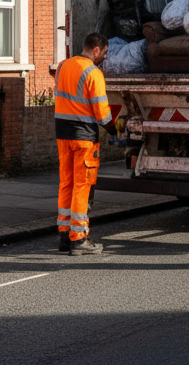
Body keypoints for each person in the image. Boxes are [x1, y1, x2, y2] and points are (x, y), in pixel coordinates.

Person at [54, 33, 120, 255]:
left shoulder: (63, 66)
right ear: (96, 50)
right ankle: (79, 238)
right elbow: (102, 115)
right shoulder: (93, 73)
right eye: (104, 52)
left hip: (63, 134)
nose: (104, 57)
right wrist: (115, 130)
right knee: (83, 186)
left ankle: (65, 235)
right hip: (83, 137)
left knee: (66, 183)